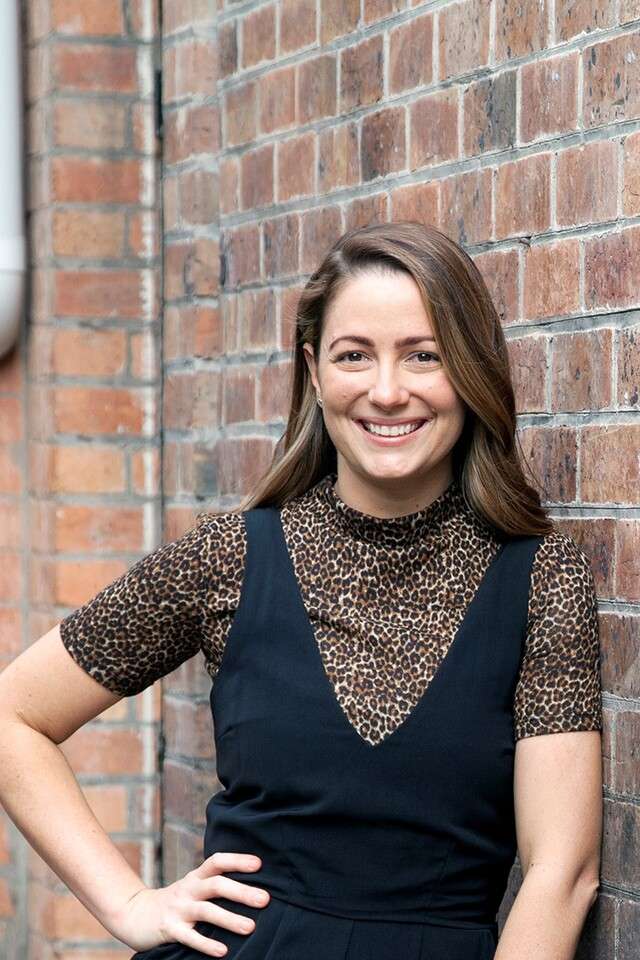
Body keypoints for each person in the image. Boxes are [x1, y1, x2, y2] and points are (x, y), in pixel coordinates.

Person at [0, 221, 603, 960]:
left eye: (423, 356)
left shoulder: (542, 579)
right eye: (355, 356)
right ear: (315, 372)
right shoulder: (229, 558)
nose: (387, 392)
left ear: (471, 371)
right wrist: (128, 903)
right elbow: (14, 715)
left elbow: (561, 875)